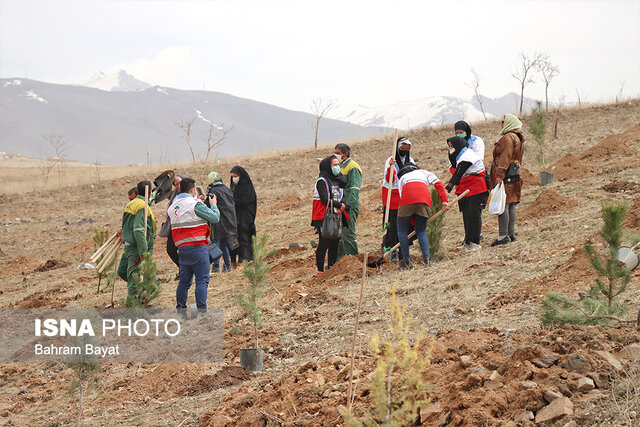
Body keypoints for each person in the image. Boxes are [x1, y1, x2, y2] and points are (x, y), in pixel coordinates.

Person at [168, 177, 220, 315]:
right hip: (198, 248)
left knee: (184, 281)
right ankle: (202, 311)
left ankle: (181, 310)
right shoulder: (195, 204)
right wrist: (213, 204)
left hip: (182, 249)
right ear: (192, 189)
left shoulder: (173, 206)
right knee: (202, 280)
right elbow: (215, 217)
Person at [396, 163, 449, 269]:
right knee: (421, 230)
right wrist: (444, 201)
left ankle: (406, 261)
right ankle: (427, 259)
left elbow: (402, 196)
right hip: (424, 200)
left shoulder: (402, 178)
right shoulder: (425, 173)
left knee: (402, 230)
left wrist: (411, 220)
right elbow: (438, 184)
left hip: (407, 200)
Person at [445, 136, 489, 253]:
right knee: (466, 215)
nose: (450, 149)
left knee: (474, 214)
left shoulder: (468, 155)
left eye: (452, 146)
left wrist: (448, 188)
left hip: (476, 187)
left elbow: (459, 172)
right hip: (464, 188)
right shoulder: (457, 156)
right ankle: (468, 241)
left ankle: (475, 242)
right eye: (449, 147)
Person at [489, 114, 525, 246]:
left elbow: (505, 157)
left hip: (505, 175)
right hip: (514, 173)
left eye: (503, 122)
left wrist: (500, 175)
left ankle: (503, 236)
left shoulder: (508, 138)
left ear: (510, 123)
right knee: (510, 203)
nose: (501, 124)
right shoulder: (518, 137)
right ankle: (510, 234)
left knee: (503, 204)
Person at [117, 180, 156, 299]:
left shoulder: (131, 204)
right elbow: (139, 229)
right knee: (134, 279)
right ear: (148, 193)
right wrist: (143, 250)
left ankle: (145, 291)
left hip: (130, 245)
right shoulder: (141, 206)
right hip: (137, 247)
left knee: (127, 273)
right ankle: (135, 311)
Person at [311, 155, 349, 273]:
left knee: (335, 242)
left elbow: (343, 195)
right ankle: (320, 271)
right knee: (324, 243)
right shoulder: (322, 181)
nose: (337, 167)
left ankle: (332, 268)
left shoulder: (338, 180)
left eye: (338, 164)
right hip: (325, 216)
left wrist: (342, 205)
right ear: (328, 166)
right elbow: (324, 198)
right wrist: (339, 206)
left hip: (337, 215)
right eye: (334, 165)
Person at [382, 137, 414, 261]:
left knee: (404, 223)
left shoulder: (410, 160)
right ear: (397, 148)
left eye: (407, 149)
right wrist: (391, 166)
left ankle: (402, 248)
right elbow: (389, 178)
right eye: (402, 148)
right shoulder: (390, 160)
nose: (405, 151)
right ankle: (390, 249)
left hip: (404, 195)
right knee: (392, 224)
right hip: (392, 196)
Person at [334, 143, 362, 258]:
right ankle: (340, 261)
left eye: (337, 153)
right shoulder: (340, 167)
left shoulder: (353, 167)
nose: (335, 155)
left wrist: (348, 205)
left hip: (348, 206)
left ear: (345, 154)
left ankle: (353, 259)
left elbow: (354, 188)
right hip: (340, 205)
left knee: (348, 234)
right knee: (339, 235)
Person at [206, 171, 238, 273]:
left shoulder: (213, 192)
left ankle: (216, 268)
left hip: (217, 223)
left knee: (216, 244)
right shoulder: (227, 190)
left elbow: (207, 206)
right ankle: (228, 266)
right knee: (224, 244)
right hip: (229, 223)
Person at [158, 174, 187, 276]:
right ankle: (183, 269)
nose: (177, 186)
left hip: (185, 227)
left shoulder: (191, 192)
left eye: (178, 183)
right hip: (173, 227)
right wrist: (167, 178)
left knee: (184, 250)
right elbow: (162, 190)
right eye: (174, 184)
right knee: (171, 250)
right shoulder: (174, 194)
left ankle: (184, 272)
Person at [230, 166, 257, 262]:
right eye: (232, 177)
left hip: (245, 218)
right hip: (236, 218)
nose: (234, 179)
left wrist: (234, 201)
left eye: (236, 176)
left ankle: (246, 259)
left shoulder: (247, 187)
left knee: (245, 238)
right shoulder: (233, 187)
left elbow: (246, 201)